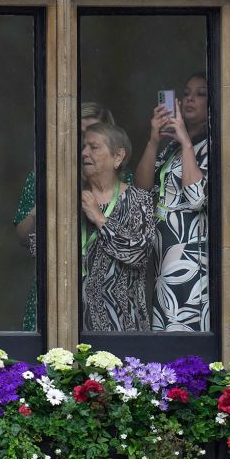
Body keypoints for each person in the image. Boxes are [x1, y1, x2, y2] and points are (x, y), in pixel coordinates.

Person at [13, 102, 125, 330]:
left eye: (93, 136)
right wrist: (39, 209)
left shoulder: (123, 182)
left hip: (107, 291)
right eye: (80, 134)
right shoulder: (44, 174)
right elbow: (23, 238)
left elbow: (133, 244)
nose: (86, 143)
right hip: (52, 289)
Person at [136, 72, 211, 332]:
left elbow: (196, 197)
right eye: (187, 93)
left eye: (200, 94)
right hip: (163, 255)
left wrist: (186, 142)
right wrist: (155, 140)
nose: (190, 99)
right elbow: (142, 190)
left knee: (182, 327)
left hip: (189, 257)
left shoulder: (211, 146)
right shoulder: (171, 148)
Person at [80, 122, 155, 332]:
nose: (84, 153)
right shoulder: (70, 200)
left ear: (118, 156)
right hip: (73, 321)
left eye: (93, 147)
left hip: (123, 321)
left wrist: (98, 218)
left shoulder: (138, 200)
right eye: (83, 147)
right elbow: (37, 249)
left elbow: (139, 254)